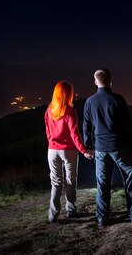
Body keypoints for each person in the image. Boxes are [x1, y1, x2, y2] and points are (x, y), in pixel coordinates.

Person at [83, 68, 132, 227]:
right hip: (120, 147)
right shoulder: (118, 99)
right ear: (110, 81)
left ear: (96, 81)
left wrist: (87, 146)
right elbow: (127, 126)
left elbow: (86, 126)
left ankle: (103, 218)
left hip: (101, 149)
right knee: (129, 180)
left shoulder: (90, 101)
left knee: (102, 184)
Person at [45, 80, 94, 223]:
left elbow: (48, 132)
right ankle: (71, 211)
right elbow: (74, 134)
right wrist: (84, 150)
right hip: (68, 151)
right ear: (69, 94)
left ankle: (53, 215)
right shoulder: (70, 111)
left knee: (56, 182)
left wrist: (52, 144)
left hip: (52, 150)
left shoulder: (49, 110)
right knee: (70, 180)